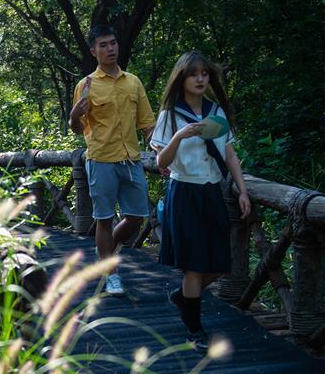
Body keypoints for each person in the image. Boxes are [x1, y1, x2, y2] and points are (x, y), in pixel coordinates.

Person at [150, 51, 251, 351]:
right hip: (184, 192)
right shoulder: (170, 114)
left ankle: (183, 296)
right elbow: (161, 161)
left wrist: (243, 190)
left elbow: (229, 153)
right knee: (193, 267)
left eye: (204, 74)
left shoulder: (215, 111)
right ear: (182, 78)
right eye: (193, 74)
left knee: (219, 264)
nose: (200, 79)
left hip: (212, 192)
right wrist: (179, 136)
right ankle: (195, 329)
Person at [70, 25, 156, 296]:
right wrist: (74, 115)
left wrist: (161, 152)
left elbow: (147, 125)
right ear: (93, 50)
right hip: (101, 160)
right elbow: (77, 127)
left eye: (113, 43)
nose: (111, 48)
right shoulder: (86, 85)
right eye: (104, 45)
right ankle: (111, 272)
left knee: (136, 216)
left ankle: (103, 253)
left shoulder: (133, 82)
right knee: (104, 219)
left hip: (131, 160)